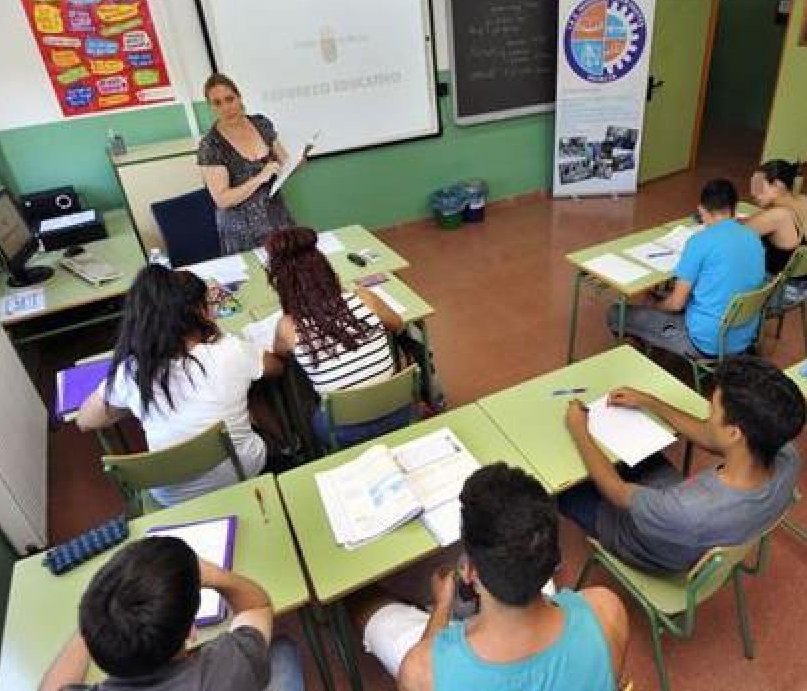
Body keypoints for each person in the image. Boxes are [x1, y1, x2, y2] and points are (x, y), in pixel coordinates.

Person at [359, 463, 629, 691]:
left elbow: (426, 659)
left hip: (450, 644)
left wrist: (442, 606)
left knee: (372, 613)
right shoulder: (607, 610)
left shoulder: (421, 669)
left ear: (469, 572)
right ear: (554, 559)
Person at [558, 356, 805, 574]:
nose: (708, 413)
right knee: (638, 457)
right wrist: (651, 403)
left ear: (733, 433)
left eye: (713, 410)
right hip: (692, 527)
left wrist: (579, 429)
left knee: (561, 487)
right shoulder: (787, 455)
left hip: (640, 541)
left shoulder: (685, 510)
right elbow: (711, 437)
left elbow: (616, 490)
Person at [79, 265, 284, 506]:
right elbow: (275, 368)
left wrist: (134, 403)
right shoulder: (229, 351)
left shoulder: (131, 374)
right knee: (254, 402)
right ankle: (289, 449)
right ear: (197, 311)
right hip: (243, 474)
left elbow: (86, 421)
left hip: (172, 499)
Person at [38, 536, 305, 691]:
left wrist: (98, 618)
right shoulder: (229, 668)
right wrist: (213, 574)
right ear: (191, 631)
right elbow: (256, 608)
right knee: (282, 651)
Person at [264, 226, 411, 449]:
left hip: (342, 432)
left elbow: (279, 359)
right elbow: (397, 324)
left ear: (281, 285)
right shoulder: (364, 298)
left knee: (299, 385)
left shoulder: (287, 327)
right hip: (399, 410)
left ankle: (299, 448)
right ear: (326, 269)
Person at [615, 178, 766, 358]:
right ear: (734, 209)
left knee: (616, 313)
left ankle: (651, 349)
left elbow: (676, 304)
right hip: (744, 336)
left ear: (702, 210)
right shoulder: (754, 238)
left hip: (706, 342)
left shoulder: (699, 242)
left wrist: (655, 307)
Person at [199, 73, 301, 254]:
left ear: (239, 98)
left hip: (278, 218)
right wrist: (260, 178)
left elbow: (283, 162)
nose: (225, 107)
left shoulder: (260, 124)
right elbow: (222, 200)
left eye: (229, 99)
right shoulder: (211, 145)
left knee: (295, 270)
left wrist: (297, 163)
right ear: (210, 106)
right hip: (242, 232)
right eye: (217, 103)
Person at [744, 159, 807, 276]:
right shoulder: (804, 200)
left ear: (778, 185)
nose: (754, 193)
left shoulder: (778, 215)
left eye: (759, 186)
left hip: (784, 287)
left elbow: (737, 235)